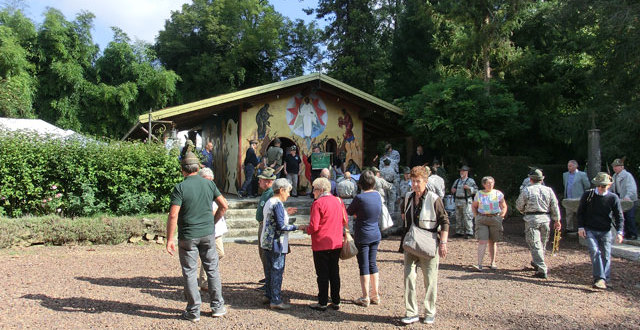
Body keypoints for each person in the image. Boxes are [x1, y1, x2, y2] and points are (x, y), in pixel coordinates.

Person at [165, 152, 229, 322]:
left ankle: (194, 311)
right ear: (198, 167)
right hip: (208, 234)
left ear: (182, 169)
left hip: (188, 235)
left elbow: (173, 215)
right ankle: (217, 307)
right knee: (212, 269)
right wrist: (213, 222)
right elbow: (224, 205)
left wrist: (169, 239)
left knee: (189, 272)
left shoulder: (180, 187)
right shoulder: (208, 184)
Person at [400, 166, 449, 325]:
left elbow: (445, 221)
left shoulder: (434, 199)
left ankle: (429, 312)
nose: (414, 184)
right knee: (408, 277)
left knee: (430, 280)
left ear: (425, 182)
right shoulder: (407, 197)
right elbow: (404, 217)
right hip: (411, 244)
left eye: (418, 181)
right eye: (413, 181)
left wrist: (443, 243)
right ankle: (411, 312)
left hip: (429, 243)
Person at [299, 177, 348, 311]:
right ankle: (336, 300)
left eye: (314, 189)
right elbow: (345, 220)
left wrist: (305, 229)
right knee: (334, 272)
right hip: (336, 241)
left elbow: (314, 226)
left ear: (320, 190)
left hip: (321, 243)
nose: (313, 192)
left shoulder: (318, 203)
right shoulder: (338, 201)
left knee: (322, 274)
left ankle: (322, 302)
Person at [577, 172, 625, 289]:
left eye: (603, 186)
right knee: (595, 252)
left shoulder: (613, 198)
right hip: (590, 229)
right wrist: (581, 227)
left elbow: (619, 216)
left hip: (606, 230)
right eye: (598, 185)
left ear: (608, 186)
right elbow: (580, 212)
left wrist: (619, 232)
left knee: (606, 255)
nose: (600, 188)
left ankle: (605, 279)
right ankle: (599, 278)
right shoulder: (588, 195)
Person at [260, 178, 300, 310]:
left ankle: (269, 294)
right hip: (276, 242)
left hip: (267, 241)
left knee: (269, 269)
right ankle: (276, 300)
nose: (288, 194)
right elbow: (282, 226)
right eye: (288, 191)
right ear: (281, 190)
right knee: (277, 270)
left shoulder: (269, 201)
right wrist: (297, 227)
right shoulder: (277, 203)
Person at [516, 169, 561, 279]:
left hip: (532, 219)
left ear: (530, 179)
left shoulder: (527, 190)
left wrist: (524, 212)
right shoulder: (549, 190)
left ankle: (542, 268)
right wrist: (557, 220)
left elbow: (519, 205)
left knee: (535, 244)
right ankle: (537, 262)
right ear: (541, 179)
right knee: (542, 243)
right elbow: (554, 205)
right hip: (545, 218)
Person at [347, 170, 382, 307]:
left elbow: (349, 212)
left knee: (364, 265)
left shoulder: (360, 198)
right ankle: (376, 295)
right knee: (373, 263)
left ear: (360, 183)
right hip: (375, 232)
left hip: (362, 234)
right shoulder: (377, 195)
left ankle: (365, 296)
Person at [197, 168, 228, 291]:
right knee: (215, 254)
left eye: (211, 180)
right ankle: (205, 280)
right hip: (208, 228)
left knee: (217, 254)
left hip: (215, 228)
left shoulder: (211, 190)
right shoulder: (199, 192)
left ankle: (206, 279)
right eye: (207, 180)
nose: (209, 183)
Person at [471, 176, 507, 271]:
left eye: (492, 183)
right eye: (488, 183)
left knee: (493, 241)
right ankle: (479, 264)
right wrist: (476, 216)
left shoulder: (498, 194)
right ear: (484, 184)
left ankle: (493, 262)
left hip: (495, 218)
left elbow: (504, 206)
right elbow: (474, 206)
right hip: (482, 219)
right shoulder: (479, 194)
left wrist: (502, 215)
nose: (490, 185)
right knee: (482, 241)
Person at [610, 158, 638, 240]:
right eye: (614, 166)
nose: (615, 168)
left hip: (629, 200)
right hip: (620, 200)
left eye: (617, 166)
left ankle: (633, 234)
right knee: (622, 217)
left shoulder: (627, 175)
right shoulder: (614, 176)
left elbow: (632, 188)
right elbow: (612, 188)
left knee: (630, 217)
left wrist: (628, 196)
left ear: (622, 167)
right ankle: (626, 233)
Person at [563, 160, 590, 232]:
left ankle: (581, 228)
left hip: (579, 198)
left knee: (580, 214)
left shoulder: (582, 174)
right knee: (569, 214)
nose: (569, 167)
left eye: (570, 166)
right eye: (568, 166)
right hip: (568, 198)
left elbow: (587, 186)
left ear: (575, 166)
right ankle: (569, 228)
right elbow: (565, 185)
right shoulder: (565, 175)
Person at [451, 165, 477, 238]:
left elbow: (476, 190)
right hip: (457, 200)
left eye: (463, 171)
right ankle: (459, 231)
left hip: (466, 201)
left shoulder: (470, 181)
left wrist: (469, 188)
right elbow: (452, 188)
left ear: (466, 172)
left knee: (467, 216)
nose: (461, 172)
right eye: (460, 171)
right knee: (458, 216)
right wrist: (453, 190)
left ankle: (469, 232)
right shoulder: (457, 181)